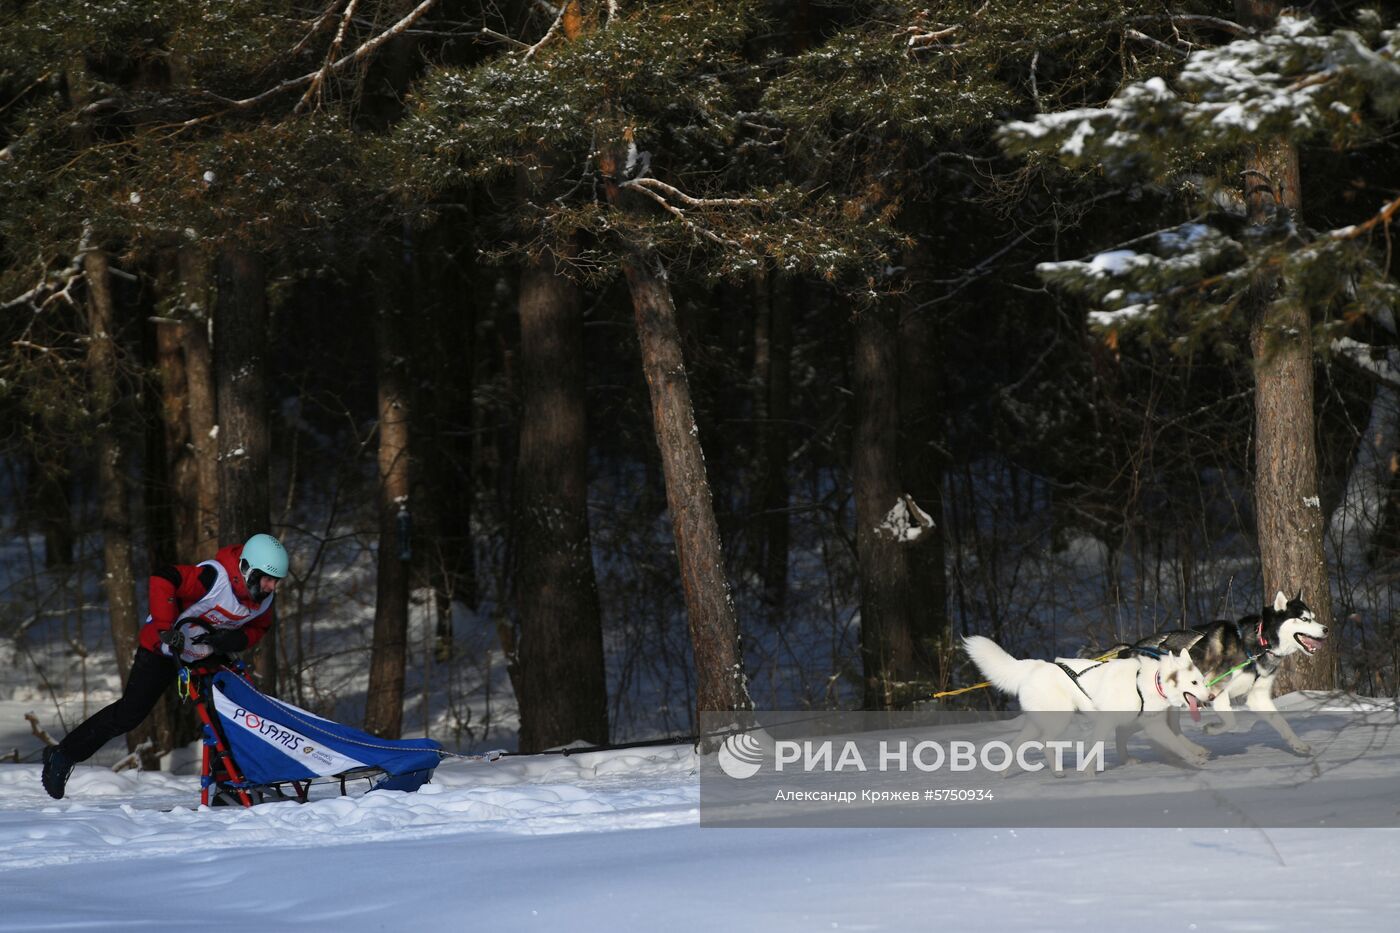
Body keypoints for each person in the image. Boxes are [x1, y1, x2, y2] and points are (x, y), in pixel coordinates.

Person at [40, 533, 289, 800]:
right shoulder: (213, 578)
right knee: (130, 714)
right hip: (162, 649)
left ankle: (227, 783)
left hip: (205, 653)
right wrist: (164, 628)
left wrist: (238, 638)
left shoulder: (263, 599)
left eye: (275, 581)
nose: (271, 587)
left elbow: (260, 627)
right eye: (267, 579)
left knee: (230, 714)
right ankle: (63, 755)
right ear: (248, 570)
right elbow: (164, 577)